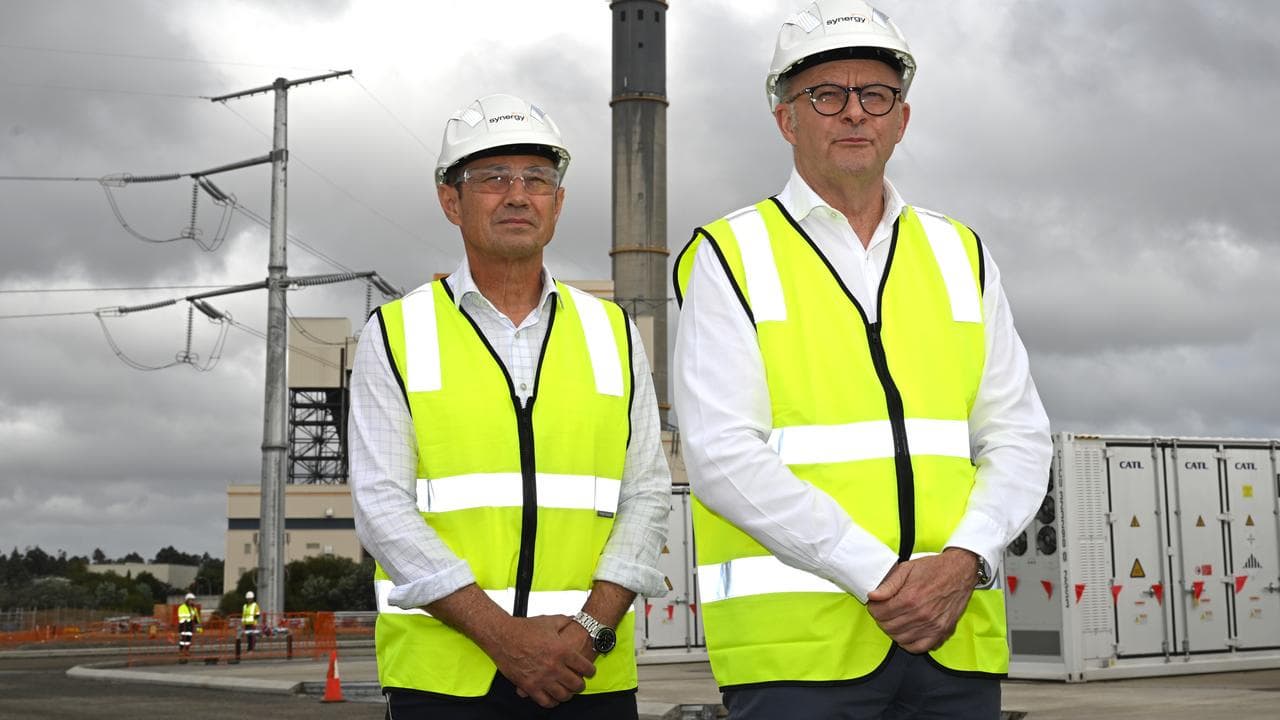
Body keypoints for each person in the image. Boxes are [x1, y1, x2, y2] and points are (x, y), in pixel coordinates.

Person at [672, 1, 1052, 717]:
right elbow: (721, 454)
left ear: (901, 121)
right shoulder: (730, 255)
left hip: (954, 644)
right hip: (797, 658)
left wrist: (964, 561)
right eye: (827, 95)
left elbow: (1019, 436)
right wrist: (882, 578)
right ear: (787, 119)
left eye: (876, 95)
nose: (854, 114)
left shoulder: (958, 253)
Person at [349, 93, 670, 719]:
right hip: (444, 686)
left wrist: (588, 631)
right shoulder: (395, 332)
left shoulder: (612, 332)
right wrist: (504, 637)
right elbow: (382, 509)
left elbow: (648, 496)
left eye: (538, 178)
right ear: (451, 201)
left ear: (559, 201)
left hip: (586, 675)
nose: (518, 195)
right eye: (494, 177)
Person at [176, 592, 201, 662]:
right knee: (182, 639)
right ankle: (181, 651)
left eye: (193, 600)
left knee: (188, 639)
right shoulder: (182, 607)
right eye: (191, 600)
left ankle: (187, 651)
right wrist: (190, 617)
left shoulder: (194, 608)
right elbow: (181, 615)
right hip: (183, 624)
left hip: (190, 625)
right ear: (187, 600)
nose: (192, 601)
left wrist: (199, 627)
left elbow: (196, 618)